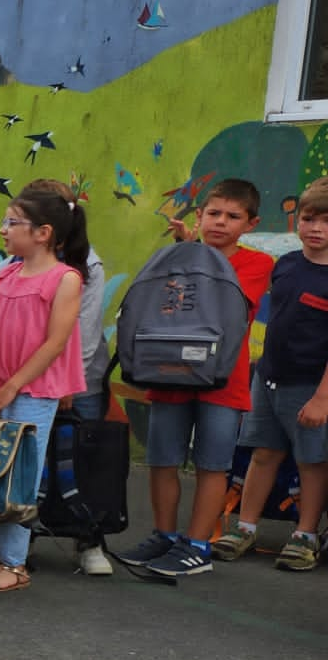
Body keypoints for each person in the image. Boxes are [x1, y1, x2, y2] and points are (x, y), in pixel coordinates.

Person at [123, 179, 274, 578]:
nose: (220, 222)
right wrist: (187, 252)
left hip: (223, 380)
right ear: (199, 216)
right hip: (168, 373)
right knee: (162, 460)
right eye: (213, 213)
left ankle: (197, 545)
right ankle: (165, 536)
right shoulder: (177, 257)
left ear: (250, 224)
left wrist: (194, 257)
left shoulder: (257, 264)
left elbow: (227, 306)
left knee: (212, 465)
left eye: (232, 216)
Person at [0, 189, 85, 593]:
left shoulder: (64, 279)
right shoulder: (6, 273)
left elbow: (54, 343)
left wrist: (13, 385)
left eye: (12, 222)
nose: (3, 229)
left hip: (31, 392)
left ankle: (14, 561)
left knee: (19, 476)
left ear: (43, 232)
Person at [214, 178, 328, 570]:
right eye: (309, 218)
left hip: (311, 386)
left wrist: (322, 397)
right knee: (263, 453)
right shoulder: (287, 265)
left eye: (327, 222)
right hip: (268, 379)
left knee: (312, 462)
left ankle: (306, 534)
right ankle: (245, 526)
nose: (316, 229)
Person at [21, 177, 114, 575]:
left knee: (82, 459)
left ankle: (88, 540)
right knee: (28, 459)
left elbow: (87, 333)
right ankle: (19, 537)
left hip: (78, 382)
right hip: (30, 379)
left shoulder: (86, 264)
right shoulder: (16, 261)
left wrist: (68, 383)